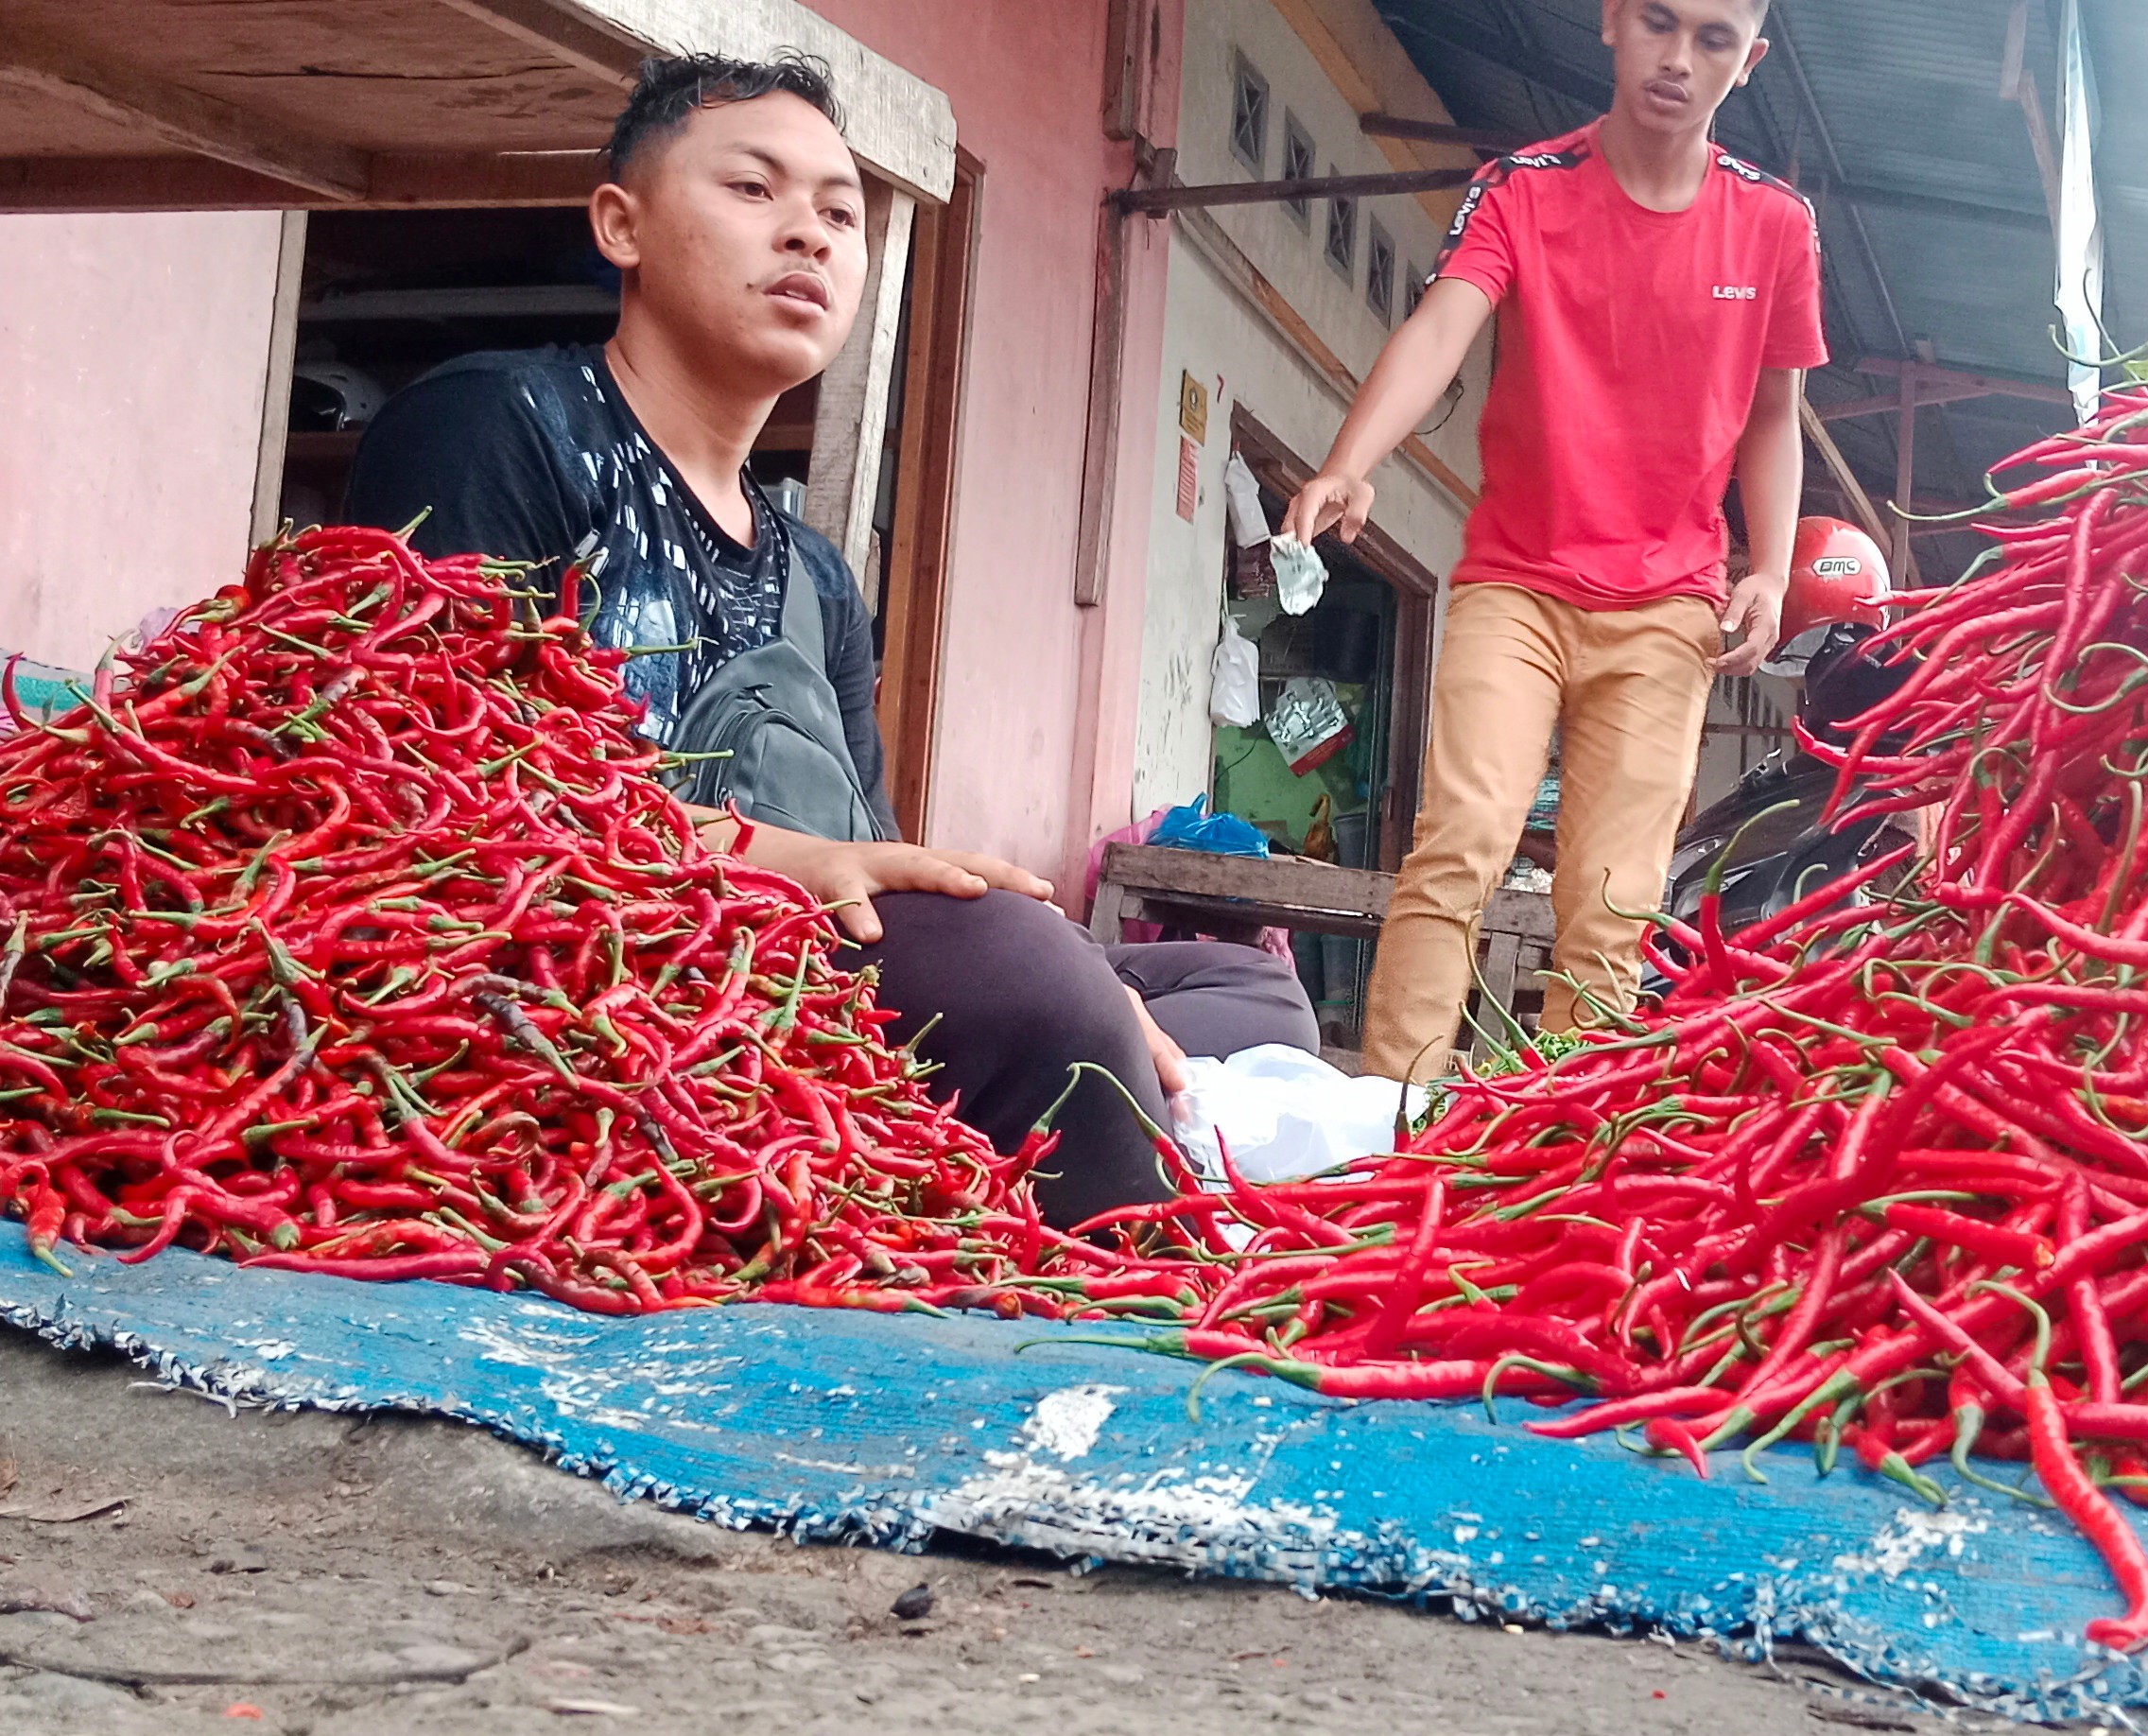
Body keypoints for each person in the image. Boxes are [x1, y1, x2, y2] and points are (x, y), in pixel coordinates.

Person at [343, 53, 1316, 1224]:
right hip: (607, 960)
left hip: (811, 953)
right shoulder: (503, 429)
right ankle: (1138, 1265)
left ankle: (1110, 1065)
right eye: (753, 189)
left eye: (840, 215)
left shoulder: (812, 575)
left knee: (1241, 985)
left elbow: (869, 849)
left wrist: (957, 912)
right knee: (1048, 991)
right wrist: (775, 859)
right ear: (621, 224)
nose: (808, 233)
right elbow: (431, 796)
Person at [1287, 0, 1822, 1083]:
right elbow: (1441, 324)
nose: (1678, 58)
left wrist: (1768, 568)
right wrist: (1349, 460)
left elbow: (1774, 413)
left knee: (1613, 902)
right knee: (1460, 844)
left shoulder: (1774, 224)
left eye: (1713, 39)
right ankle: (1392, 1120)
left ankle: (1563, 1143)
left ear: (1748, 62)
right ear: (1612, 20)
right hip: (1517, 585)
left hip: (1669, 605)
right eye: (1658, 22)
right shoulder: (1522, 188)